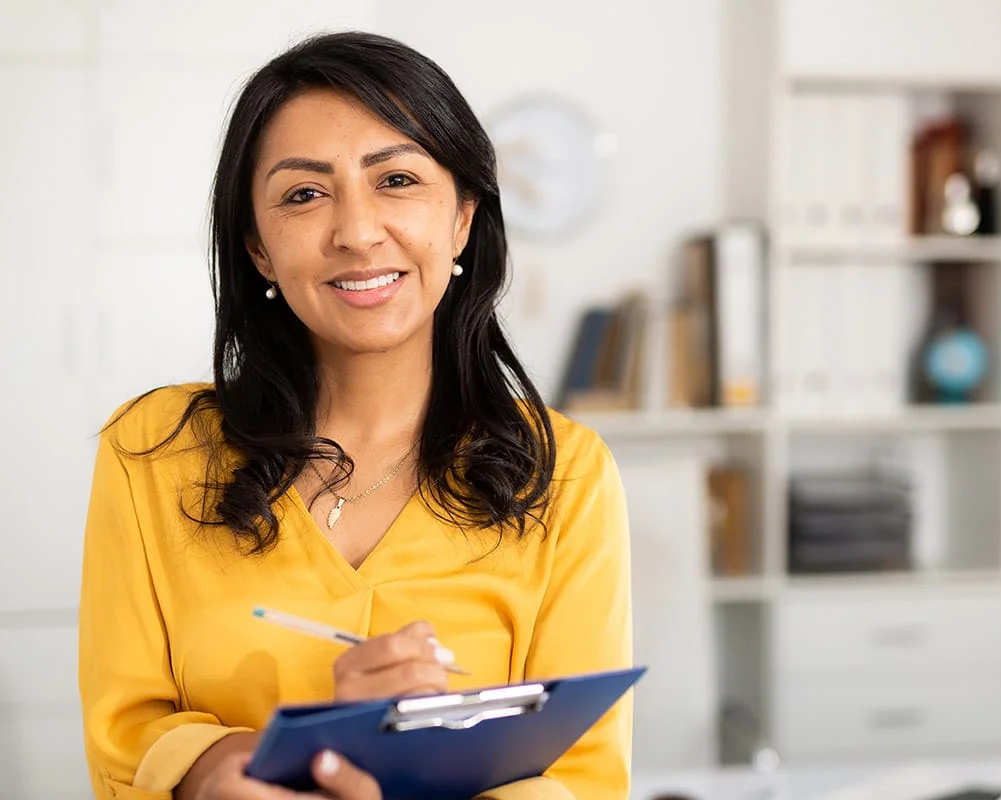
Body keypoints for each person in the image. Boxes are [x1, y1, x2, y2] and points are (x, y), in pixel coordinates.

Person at [77, 30, 632, 800]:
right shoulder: (148, 453)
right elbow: (122, 739)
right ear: (259, 249)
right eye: (304, 194)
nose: (357, 231)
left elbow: (584, 778)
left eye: (396, 179)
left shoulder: (565, 474)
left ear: (463, 218)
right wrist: (210, 771)